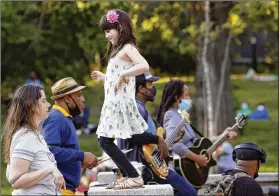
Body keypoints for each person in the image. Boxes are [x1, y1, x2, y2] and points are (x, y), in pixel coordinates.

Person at [91, 9, 168, 190]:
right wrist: (105, 77)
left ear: (120, 27)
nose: (107, 35)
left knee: (105, 140)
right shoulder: (118, 51)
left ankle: (133, 175)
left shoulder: (128, 48)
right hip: (114, 103)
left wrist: (124, 73)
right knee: (132, 135)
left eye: (109, 30)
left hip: (119, 104)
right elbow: (117, 76)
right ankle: (151, 147)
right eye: (105, 31)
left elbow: (143, 65)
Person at [117, 72, 197, 196]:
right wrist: (158, 139)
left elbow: (148, 142)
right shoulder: (136, 108)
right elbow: (135, 135)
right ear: (141, 89)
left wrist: (169, 140)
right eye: (150, 84)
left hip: (152, 165)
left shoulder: (139, 108)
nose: (153, 88)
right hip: (146, 168)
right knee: (189, 192)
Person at [156, 80, 238, 170]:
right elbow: (174, 144)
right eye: (187, 95)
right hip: (181, 167)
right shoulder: (172, 115)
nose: (189, 99)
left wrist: (222, 136)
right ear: (177, 98)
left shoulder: (180, 115)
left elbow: (196, 143)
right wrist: (197, 158)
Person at [3, 84, 65, 195]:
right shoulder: (27, 137)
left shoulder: (34, 135)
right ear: (32, 106)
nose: (48, 105)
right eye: (44, 101)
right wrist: (49, 170)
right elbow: (16, 181)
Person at [42, 77, 98, 195]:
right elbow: (49, 151)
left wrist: (80, 161)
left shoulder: (64, 118)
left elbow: (63, 152)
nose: (83, 100)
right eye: (79, 95)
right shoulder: (56, 118)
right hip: (59, 190)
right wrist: (81, 155)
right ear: (67, 98)